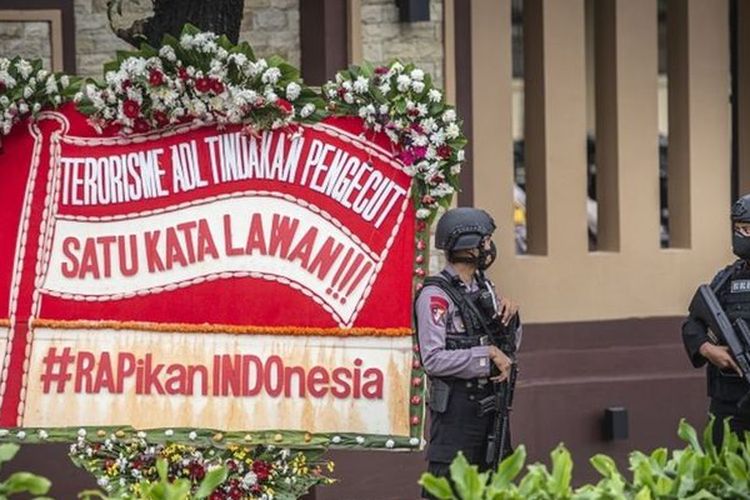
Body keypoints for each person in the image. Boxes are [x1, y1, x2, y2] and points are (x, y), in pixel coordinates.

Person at [415, 207, 521, 496]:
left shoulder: (484, 286)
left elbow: (506, 349)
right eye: (485, 240)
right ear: (468, 246)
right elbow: (433, 359)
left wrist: (511, 319)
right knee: (448, 490)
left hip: (490, 414)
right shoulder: (435, 296)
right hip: (456, 419)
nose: (489, 247)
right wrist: (484, 354)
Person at [682, 193, 750, 444]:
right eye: (742, 228)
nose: (745, 235)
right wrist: (709, 350)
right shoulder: (727, 279)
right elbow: (692, 325)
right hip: (728, 403)